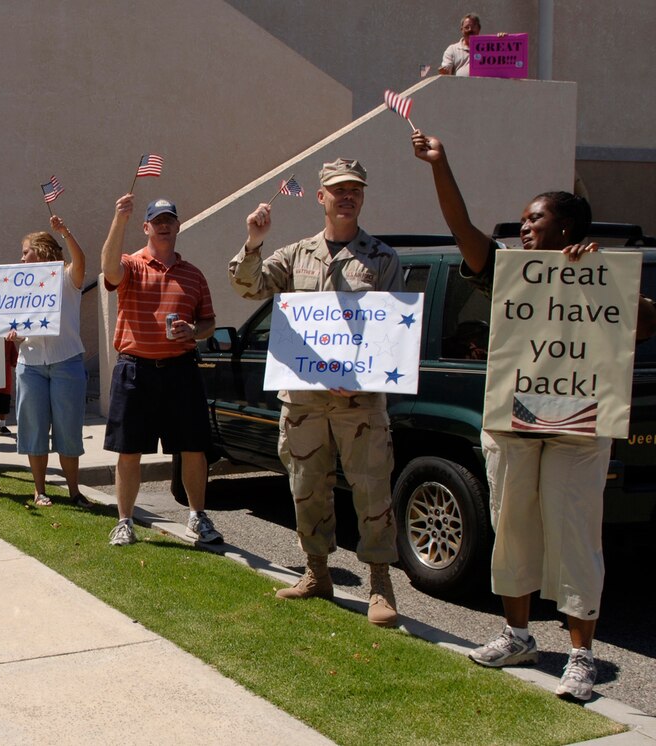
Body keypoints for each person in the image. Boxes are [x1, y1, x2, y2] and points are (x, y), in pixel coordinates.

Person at [412, 129, 656, 699]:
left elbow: (646, 322)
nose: (524, 228)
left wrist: (603, 277)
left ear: (567, 229)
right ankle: (517, 635)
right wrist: (439, 165)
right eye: (523, 220)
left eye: (535, 219)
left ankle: (581, 655)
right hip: (514, 424)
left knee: (575, 535)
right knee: (512, 528)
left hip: (579, 426)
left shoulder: (601, 274)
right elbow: (462, 229)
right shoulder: (506, 270)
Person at [231, 158, 403, 627]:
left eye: (355, 190)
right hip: (304, 400)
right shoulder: (294, 255)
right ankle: (317, 572)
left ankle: (380, 583)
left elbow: (393, 329)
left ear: (362, 197)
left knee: (372, 490)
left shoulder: (382, 258)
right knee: (307, 488)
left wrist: (361, 375)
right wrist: (253, 240)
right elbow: (249, 286)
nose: (347, 196)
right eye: (338, 189)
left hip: (359, 401)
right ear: (321, 196)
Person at [100, 195, 221, 546]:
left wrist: (194, 331)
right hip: (135, 369)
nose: (164, 226)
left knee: (193, 448)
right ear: (146, 227)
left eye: (169, 220)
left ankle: (197, 517)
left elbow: (209, 322)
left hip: (181, 370)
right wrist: (119, 220)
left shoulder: (193, 275)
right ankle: (125, 521)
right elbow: (109, 270)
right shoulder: (132, 265)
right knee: (129, 450)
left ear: (178, 226)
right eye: (157, 221)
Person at [8, 215, 91, 508]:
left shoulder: (67, 278)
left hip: (66, 361)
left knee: (69, 429)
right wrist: (13, 335)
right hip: (30, 363)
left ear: (41, 251)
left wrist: (65, 232)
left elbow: (80, 261)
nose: (21, 258)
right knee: (34, 428)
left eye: (25, 252)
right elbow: (14, 324)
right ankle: (39, 490)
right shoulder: (19, 288)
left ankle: (74, 492)